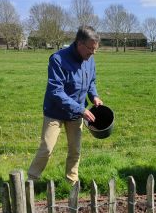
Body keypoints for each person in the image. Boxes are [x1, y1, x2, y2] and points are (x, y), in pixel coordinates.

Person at [28, 26, 103, 185]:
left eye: (95, 49)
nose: (93, 53)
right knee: (47, 148)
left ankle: (71, 182)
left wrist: (94, 96)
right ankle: (31, 181)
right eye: (90, 49)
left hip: (76, 114)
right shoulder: (58, 59)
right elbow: (56, 91)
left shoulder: (89, 60)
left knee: (75, 150)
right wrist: (81, 109)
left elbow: (91, 82)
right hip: (55, 112)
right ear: (79, 44)